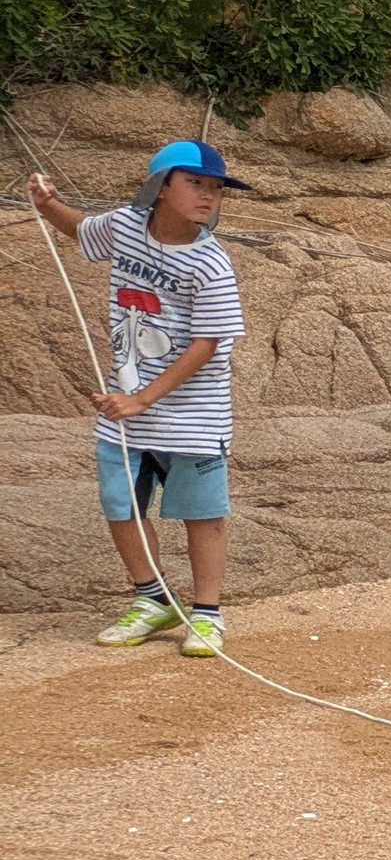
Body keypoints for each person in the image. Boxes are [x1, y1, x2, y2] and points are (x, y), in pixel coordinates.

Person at [25, 141, 253, 657]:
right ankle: (153, 599)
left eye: (216, 188)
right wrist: (46, 205)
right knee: (121, 504)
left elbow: (208, 343)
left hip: (192, 414)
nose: (208, 195)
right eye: (195, 183)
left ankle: (207, 614)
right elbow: (82, 229)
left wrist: (144, 399)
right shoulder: (126, 226)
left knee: (204, 515)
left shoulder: (211, 262)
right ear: (159, 187)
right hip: (125, 409)